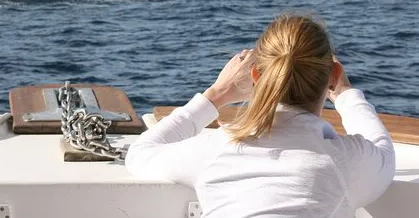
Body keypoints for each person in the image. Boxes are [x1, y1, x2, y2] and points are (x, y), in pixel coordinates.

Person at [125, 14, 395, 217]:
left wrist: (216, 95)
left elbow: (140, 153)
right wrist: (346, 95)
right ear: (333, 76)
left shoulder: (216, 147)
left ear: (256, 76)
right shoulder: (347, 160)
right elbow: (383, 150)